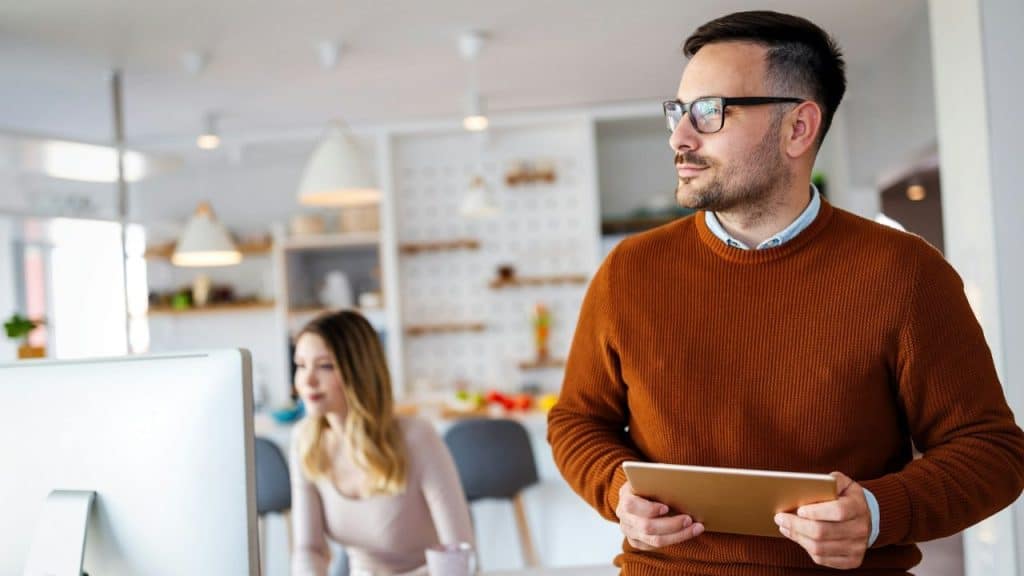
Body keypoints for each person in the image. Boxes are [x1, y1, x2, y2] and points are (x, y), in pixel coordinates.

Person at [548, 10, 1024, 575]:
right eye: (678, 111)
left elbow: (992, 453)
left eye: (710, 112)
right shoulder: (629, 270)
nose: (680, 136)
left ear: (798, 128)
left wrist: (875, 512)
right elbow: (576, 420)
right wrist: (615, 491)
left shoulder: (906, 272)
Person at [290, 310, 474, 575]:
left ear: (359, 372)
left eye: (325, 366)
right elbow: (310, 550)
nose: (306, 381)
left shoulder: (417, 438)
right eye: (300, 365)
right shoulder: (305, 440)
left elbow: (459, 552)